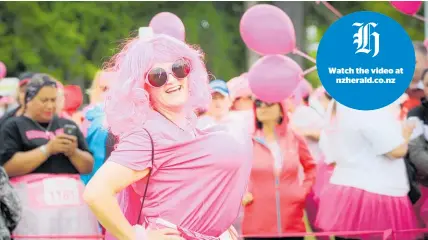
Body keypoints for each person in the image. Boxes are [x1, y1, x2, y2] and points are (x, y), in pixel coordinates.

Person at [83, 28, 252, 240]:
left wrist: (213, 227)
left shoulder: (190, 127)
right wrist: (138, 237)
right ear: (142, 87)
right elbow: (96, 193)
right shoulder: (146, 135)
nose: (172, 79)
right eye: (158, 76)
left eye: (179, 68)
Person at [0, 73, 98, 237]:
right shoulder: (13, 126)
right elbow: (7, 167)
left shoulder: (68, 124)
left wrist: (73, 152)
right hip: (31, 213)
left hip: (72, 212)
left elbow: (88, 165)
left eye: (53, 100)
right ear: (28, 100)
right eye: (44, 100)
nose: (50, 106)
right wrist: (47, 150)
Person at [316, 102, 419, 240]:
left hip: (347, 188)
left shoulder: (337, 105)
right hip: (375, 190)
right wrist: (406, 133)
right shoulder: (367, 108)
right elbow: (396, 150)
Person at [242, 99, 316, 240]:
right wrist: (241, 192)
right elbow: (233, 173)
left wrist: (302, 191)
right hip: (257, 224)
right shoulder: (247, 141)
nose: (262, 107)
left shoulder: (295, 138)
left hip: (291, 223)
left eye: (268, 103)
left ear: (281, 109)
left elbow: (311, 167)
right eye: (258, 104)